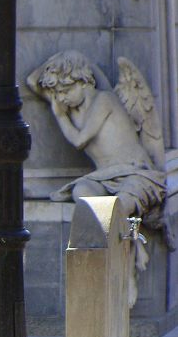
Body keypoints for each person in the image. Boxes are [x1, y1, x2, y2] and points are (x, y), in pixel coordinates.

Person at [26, 50, 166, 218]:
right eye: (57, 93)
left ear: (83, 81)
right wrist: (58, 61)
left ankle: (122, 238)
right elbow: (32, 82)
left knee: (122, 204)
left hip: (134, 174)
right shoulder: (72, 108)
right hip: (103, 179)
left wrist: (61, 116)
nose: (60, 99)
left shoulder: (104, 100)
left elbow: (79, 140)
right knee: (81, 191)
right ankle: (109, 236)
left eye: (65, 91)